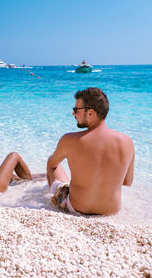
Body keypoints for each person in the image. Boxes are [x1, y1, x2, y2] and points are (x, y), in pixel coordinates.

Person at [47, 87, 135, 215]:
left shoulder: (69, 139)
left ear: (91, 113)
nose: (73, 113)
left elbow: (51, 164)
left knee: (53, 165)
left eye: (76, 110)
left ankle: (50, 193)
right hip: (110, 211)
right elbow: (127, 182)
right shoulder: (127, 142)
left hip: (77, 207)